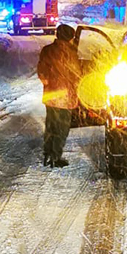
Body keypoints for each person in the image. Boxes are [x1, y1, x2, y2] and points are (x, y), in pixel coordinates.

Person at [36, 24, 81, 167]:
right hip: (65, 97)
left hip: (50, 95)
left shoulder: (47, 50)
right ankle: (56, 157)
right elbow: (76, 75)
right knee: (62, 128)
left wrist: (47, 82)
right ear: (70, 38)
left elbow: (41, 71)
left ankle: (47, 155)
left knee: (51, 125)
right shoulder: (70, 52)